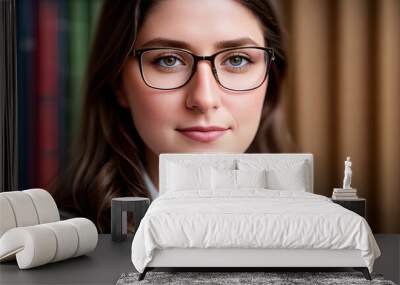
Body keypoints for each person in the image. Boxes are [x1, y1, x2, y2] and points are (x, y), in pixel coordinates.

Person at [50, 0, 295, 233]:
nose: (204, 99)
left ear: (270, 78)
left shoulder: (307, 227)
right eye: (169, 60)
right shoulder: (63, 244)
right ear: (118, 83)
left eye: (237, 59)